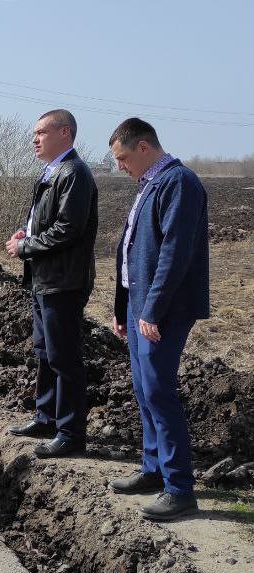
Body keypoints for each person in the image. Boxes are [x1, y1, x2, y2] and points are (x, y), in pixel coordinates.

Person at [107, 118, 209, 521]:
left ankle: (180, 488)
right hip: (138, 307)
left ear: (144, 147)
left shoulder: (178, 182)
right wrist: (123, 309)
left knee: (159, 391)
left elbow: (174, 254)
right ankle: (153, 469)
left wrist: (152, 310)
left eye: (123, 157)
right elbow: (131, 250)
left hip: (161, 310)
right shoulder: (150, 183)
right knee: (143, 388)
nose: (119, 166)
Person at [5, 109, 98, 458]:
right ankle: (46, 417)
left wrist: (25, 246)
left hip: (64, 280)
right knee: (45, 352)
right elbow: (46, 222)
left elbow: (68, 229)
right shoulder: (52, 171)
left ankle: (71, 433)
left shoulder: (73, 172)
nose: (35, 138)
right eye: (35, 133)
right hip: (46, 278)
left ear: (65, 133)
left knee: (64, 357)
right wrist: (26, 233)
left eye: (42, 132)